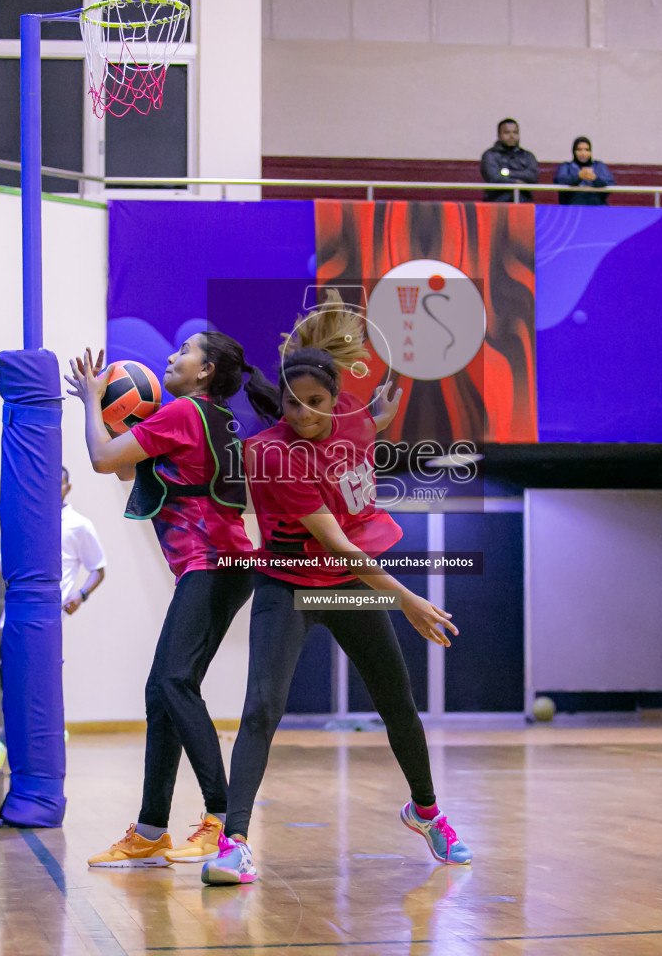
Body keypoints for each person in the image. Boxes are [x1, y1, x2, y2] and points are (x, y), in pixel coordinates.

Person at [202, 292, 471, 886]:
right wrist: (408, 599)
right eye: (294, 403)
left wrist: (382, 411)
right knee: (261, 710)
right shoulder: (272, 455)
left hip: (346, 587)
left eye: (316, 403)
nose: (302, 413)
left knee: (397, 701)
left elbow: (362, 422)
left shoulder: (350, 416)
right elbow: (340, 546)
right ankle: (234, 845)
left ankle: (427, 814)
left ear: (334, 398)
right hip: (293, 585)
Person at [64, 331, 279, 868]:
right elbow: (122, 463)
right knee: (163, 692)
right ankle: (151, 829)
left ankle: (221, 819)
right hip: (224, 568)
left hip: (213, 567)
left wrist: (94, 402)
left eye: (184, 352)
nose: (171, 357)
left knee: (171, 683)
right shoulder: (212, 418)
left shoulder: (185, 413)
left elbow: (99, 458)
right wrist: (121, 416)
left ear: (205, 371)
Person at [0, 465, 107, 769]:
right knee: (12, 684)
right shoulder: (25, 517)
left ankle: (2, 746)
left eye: (58, 483)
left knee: (29, 684)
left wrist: (81, 595)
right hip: (13, 617)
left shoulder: (79, 525)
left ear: (67, 488)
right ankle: (51, 728)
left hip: (46, 620)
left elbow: (98, 569)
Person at [479, 118, 538, 203]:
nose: (512, 136)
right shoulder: (490, 155)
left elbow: (533, 177)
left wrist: (508, 173)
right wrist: (516, 182)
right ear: (499, 135)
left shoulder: (527, 156)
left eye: (515, 132)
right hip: (496, 201)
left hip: (524, 201)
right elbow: (493, 177)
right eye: (507, 132)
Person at [552, 136, 615, 206]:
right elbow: (560, 181)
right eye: (579, 150)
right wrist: (578, 176)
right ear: (573, 151)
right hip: (571, 209)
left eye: (587, 150)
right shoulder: (566, 166)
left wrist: (595, 179)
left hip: (597, 208)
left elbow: (609, 184)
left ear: (590, 152)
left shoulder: (599, 166)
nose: (583, 153)